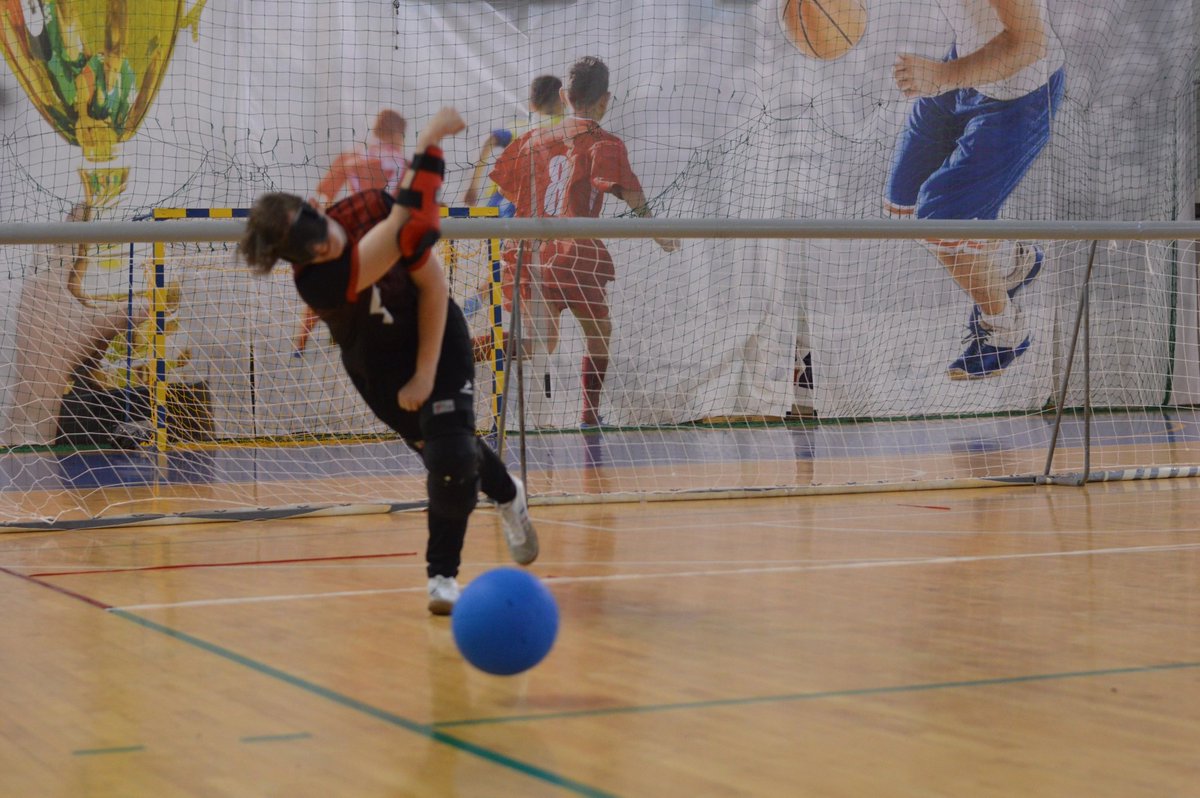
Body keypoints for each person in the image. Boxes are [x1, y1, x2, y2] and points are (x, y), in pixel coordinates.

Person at [237, 107, 538, 616]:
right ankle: (508, 493)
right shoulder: (318, 283)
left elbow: (433, 286)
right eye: (307, 247)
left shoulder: (367, 207)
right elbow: (405, 223)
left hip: (436, 333)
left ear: (311, 207)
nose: (322, 242)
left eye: (314, 225)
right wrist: (431, 138)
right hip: (379, 370)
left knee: (451, 458)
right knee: (450, 452)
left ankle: (441, 575)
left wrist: (427, 373)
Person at [490, 56, 678, 428]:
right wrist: (659, 232)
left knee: (541, 342)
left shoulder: (532, 140)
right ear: (605, 99)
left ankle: (470, 352)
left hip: (531, 252)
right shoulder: (603, 142)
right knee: (598, 332)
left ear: (565, 95)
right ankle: (589, 416)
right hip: (576, 252)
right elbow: (629, 192)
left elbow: (511, 192)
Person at [885, 0, 1064, 379]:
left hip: (1019, 92)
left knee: (942, 224)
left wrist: (942, 76)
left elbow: (1029, 43)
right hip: (968, 66)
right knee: (902, 206)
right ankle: (1012, 260)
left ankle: (1006, 332)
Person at [294, 109, 409, 357]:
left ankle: (300, 343)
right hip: (385, 234)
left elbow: (324, 194)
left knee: (326, 281)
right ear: (397, 134)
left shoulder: (351, 157)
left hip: (352, 229)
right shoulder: (403, 162)